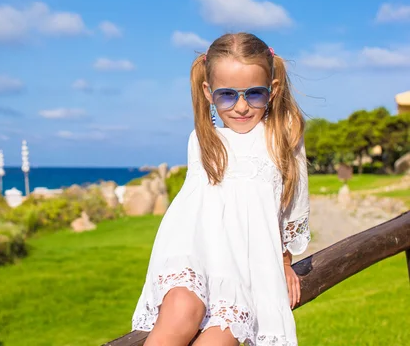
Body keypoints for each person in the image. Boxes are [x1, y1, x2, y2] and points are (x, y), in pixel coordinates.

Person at [131, 33, 311, 346]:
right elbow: (193, 211)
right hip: (193, 259)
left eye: (254, 94)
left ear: (273, 90)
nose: (241, 106)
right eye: (227, 95)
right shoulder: (202, 140)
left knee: (218, 339)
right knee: (179, 314)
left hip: (246, 274)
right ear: (208, 93)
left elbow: (291, 205)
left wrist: (284, 263)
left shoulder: (283, 136)